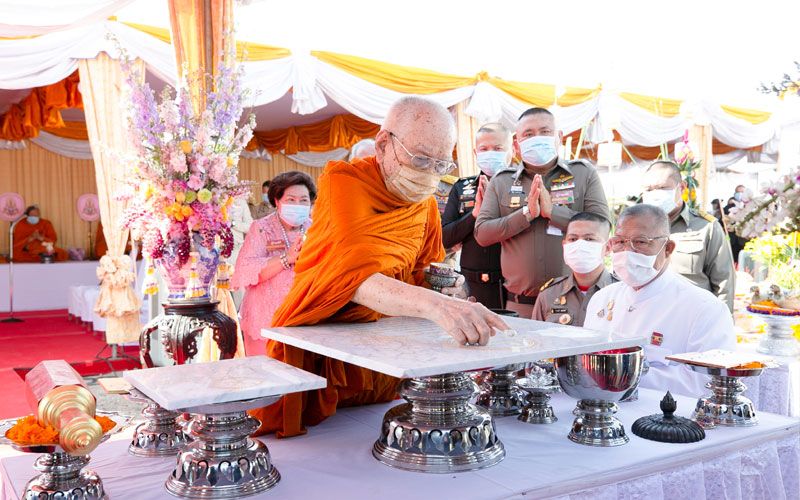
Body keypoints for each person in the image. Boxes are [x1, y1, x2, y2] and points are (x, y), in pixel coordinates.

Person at [250, 96, 509, 438]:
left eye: (440, 165)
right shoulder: (344, 182)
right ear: (383, 143)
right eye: (419, 158)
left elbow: (422, 275)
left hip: (387, 357)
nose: (427, 174)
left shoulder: (425, 206)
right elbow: (351, 277)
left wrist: (449, 292)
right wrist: (438, 305)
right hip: (325, 348)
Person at [583, 204, 736, 397]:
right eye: (619, 241)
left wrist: (622, 375)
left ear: (668, 248)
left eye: (640, 242)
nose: (627, 251)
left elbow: (709, 383)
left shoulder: (704, 308)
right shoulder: (602, 298)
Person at [474, 107, 610, 317]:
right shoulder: (502, 181)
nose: (537, 138)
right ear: (517, 143)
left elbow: (603, 227)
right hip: (520, 305)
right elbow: (482, 234)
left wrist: (552, 213)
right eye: (528, 134)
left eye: (545, 132)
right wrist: (526, 214)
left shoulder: (583, 174)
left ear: (559, 137)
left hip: (576, 302)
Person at [232, 171, 316, 356]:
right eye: (291, 199)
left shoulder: (317, 229)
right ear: (277, 201)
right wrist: (286, 259)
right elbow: (245, 269)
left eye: (303, 200)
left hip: (304, 319)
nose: (298, 205)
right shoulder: (261, 228)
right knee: (266, 375)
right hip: (264, 318)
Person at [640, 160, 735, 312]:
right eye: (649, 190)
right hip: (647, 315)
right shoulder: (636, 227)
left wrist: (722, 324)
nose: (655, 194)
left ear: (682, 187)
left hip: (693, 317)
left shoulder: (706, 227)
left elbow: (724, 283)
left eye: (662, 188)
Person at [441, 123, 513, 309]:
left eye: (498, 148)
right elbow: (445, 237)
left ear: (511, 150)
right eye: (484, 149)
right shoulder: (462, 187)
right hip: (472, 284)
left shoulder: (524, 186)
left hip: (512, 285)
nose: (491, 153)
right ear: (475, 152)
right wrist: (474, 215)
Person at [532, 212, 614, 326]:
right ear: (564, 245)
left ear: (608, 247)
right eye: (573, 239)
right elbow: (537, 340)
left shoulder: (622, 292)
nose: (580, 245)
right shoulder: (549, 294)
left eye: (589, 239)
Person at [229, 196, 254, 308]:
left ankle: (240, 319)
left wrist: (233, 223)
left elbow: (250, 226)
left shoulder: (240, 201)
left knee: (239, 289)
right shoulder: (213, 198)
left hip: (236, 250)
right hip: (216, 251)